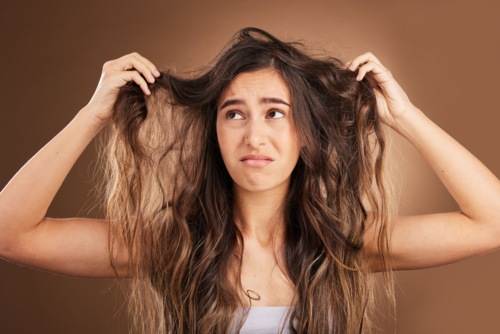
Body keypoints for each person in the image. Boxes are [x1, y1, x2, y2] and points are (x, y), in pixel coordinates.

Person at [0, 27, 499, 334]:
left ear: (305, 132)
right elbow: (11, 233)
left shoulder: (343, 245)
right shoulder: (172, 246)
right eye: (234, 114)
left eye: (276, 112)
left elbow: (491, 222)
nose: (254, 135)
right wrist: (92, 116)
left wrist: (405, 116)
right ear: (214, 131)